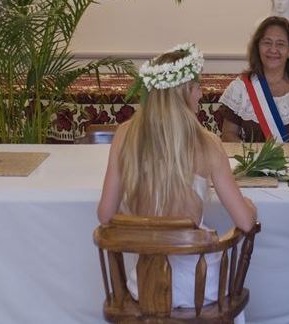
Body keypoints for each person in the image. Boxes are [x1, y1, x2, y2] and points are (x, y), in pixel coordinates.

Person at [97, 43, 257, 311]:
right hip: (198, 286)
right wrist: (250, 208)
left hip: (146, 284)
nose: (201, 94)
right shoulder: (208, 143)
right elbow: (245, 222)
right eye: (197, 87)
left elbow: (105, 215)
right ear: (184, 92)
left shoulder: (125, 134)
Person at [220, 16, 289, 143]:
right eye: (267, 42)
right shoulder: (240, 88)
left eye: (280, 44)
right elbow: (228, 134)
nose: (273, 49)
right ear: (257, 47)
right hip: (252, 162)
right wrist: (252, 160)